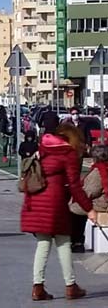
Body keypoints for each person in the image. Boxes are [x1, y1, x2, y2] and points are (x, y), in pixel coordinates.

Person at [21, 124, 96, 301]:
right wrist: (89, 209)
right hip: (55, 202)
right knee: (63, 243)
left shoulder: (43, 149)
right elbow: (75, 186)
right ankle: (70, 285)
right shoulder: (67, 154)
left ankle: (37, 287)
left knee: (43, 243)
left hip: (35, 200)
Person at [70, 144, 108, 254]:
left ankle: (77, 242)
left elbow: (90, 192)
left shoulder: (99, 171)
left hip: (102, 203)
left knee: (74, 208)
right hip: (103, 201)